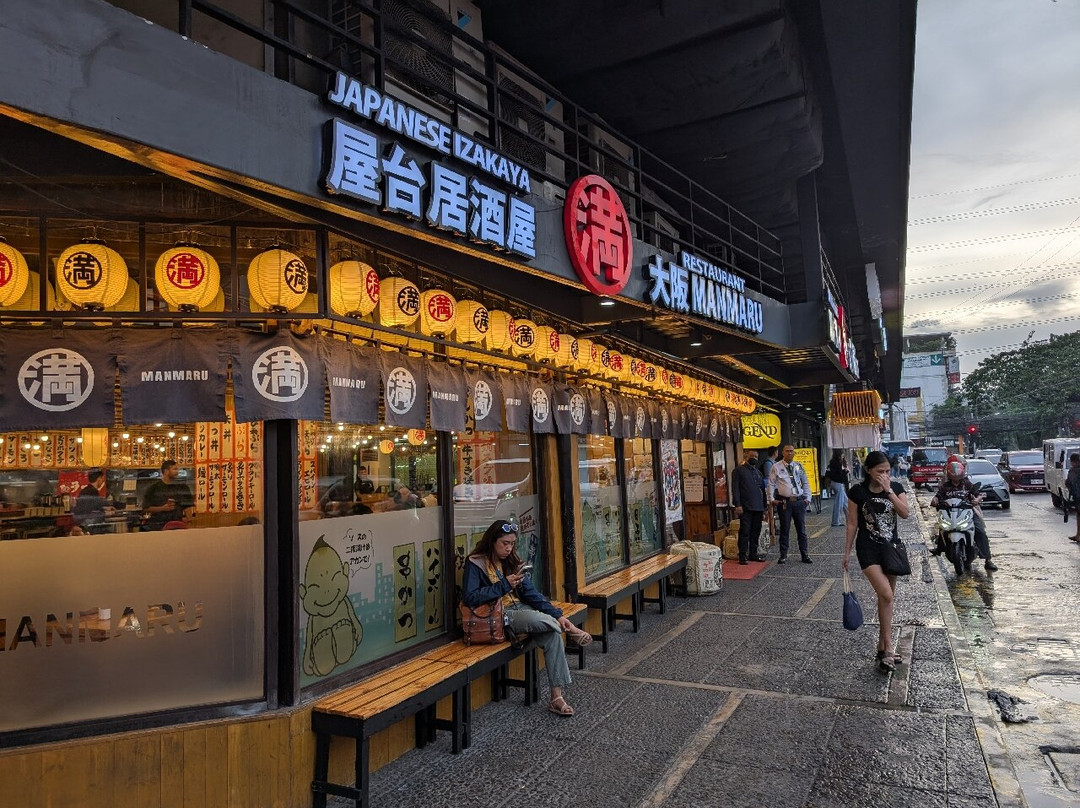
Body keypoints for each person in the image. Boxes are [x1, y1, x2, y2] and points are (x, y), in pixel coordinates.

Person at [461, 519, 592, 716]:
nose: (509, 548)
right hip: (499, 616)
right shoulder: (476, 563)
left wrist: (557, 614)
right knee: (538, 620)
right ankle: (571, 630)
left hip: (522, 609)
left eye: (512, 543)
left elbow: (531, 594)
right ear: (492, 541)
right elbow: (470, 598)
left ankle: (556, 697)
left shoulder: (511, 562)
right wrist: (504, 585)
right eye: (505, 543)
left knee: (552, 634)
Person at [842, 450, 911, 672]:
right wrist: (846, 552)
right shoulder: (857, 491)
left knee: (886, 599)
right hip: (868, 549)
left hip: (891, 549)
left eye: (887, 471)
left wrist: (888, 490)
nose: (884, 475)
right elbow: (852, 523)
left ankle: (882, 647)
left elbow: (905, 513)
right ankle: (889, 648)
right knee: (887, 594)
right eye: (880, 471)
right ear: (868, 471)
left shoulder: (896, 488)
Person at [929, 456, 997, 571]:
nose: (956, 480)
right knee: (942, 528)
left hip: (967, 511)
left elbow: (978, 494)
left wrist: (976, 500)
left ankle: (988, 560)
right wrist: (935, 501)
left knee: (980, 531)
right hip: (950, 513)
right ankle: (940, 548)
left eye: (958, 478)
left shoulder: (967, 484)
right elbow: (937, 497)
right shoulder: (945, 487)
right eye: (954, 478)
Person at [768, 445, 813, 563]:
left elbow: (805, 482)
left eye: (791, 451)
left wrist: (808, 498)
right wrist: (771, 499)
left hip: (799, 501)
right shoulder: (776, 467)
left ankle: (805, 554)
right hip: (785, 502)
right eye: (787, 451)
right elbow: (771, 483)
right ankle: (783, 555)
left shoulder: (799, 466)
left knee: (801, 530)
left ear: (794, 453)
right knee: (785, 529)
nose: (789, 453)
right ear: (783, 453)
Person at [731, 449, 766, 564]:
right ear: (746, 456)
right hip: (745, 506)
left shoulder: (758, 472)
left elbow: (763, 490)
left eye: (756, 457)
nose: (754, 458)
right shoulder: (738, 470)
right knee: (745, 531)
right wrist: (737, 504)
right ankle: (742, 555)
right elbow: (735, 488)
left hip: (758, 506)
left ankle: (753, 553)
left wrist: (764, 507)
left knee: (756, 531)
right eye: (752, 456)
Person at [142, 460, 193, 531]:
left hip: (177, 525)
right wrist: (162, 508)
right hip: (158, 526)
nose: (177, 472)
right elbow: (146, 508)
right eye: (174, 469)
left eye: (177, 469)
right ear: (166, 471)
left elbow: (187, 507)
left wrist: (189, 521)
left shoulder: (182, 487)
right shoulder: (153, 488)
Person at [826, 450, 850, 527]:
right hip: (838, 483)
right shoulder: (838, 463)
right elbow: (839, 475)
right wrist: (845, 471)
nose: (843, 456)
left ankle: (850, 519)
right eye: (842, 454)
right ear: (839, 455)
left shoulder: (832, 463)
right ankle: (835, 521)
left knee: (845, 502)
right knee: (839, 503)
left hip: (834, 483)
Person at [1065, 453, 1080, 542]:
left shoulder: (1073, 471)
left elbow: (1068, 483)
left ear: (1073, 461)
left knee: (1079, 515)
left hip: (1078, 497)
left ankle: (1078, 535)